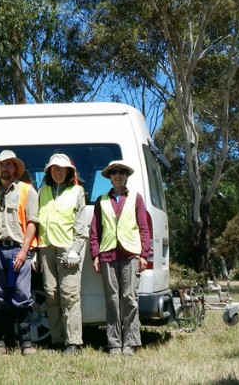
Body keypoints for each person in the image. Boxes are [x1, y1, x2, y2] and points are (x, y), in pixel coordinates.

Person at [89, 159, 153, 356]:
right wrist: (95, 255)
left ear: (126, 176)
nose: (118, 175)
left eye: (121, 172)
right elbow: (95, 231)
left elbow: (144, 228)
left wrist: (144, 255)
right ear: (109, 176)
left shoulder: (136, 198)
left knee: (130, 298)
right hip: (108, 255)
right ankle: (114, 343)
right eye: (114, 172)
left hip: (130, 255)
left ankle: (131, 342)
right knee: (112, 300)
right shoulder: (101, 200)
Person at [0, 149, 39, 354]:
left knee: (22, 295)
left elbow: (32, 223)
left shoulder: (27, 190)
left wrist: (24, 251)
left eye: (9, 164)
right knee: (0, 297)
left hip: (17, 250)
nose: (5, 168)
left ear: (15, 168)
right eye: (1, 165)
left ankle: (26, 342)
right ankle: (5, 341)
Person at [36, 153, 87, 355]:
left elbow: (81, 226)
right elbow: (36, 221)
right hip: (46, 247)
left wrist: (75, 250)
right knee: (50, 294)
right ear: (49, 172)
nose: (57, 172)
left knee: (69, 295)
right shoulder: (43, 191)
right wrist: (35, 252)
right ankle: (56, 339)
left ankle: (73, 342)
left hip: (68, 249)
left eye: (61, 169)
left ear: (68, 171)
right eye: (54, 169)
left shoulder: (77, 191)